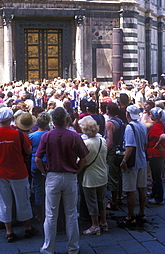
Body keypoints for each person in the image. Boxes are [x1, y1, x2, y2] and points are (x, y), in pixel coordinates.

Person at [35, 107, 88, 254]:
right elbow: (84, 158)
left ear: (53, 121)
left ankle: (48, 248)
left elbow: (38, 158)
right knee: (71, 213)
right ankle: (73, 247)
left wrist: (44, 172)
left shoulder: (47, 136)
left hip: (52, 175)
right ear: (66, 120)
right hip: (70, 176)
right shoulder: (74, 136)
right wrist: (77, 170)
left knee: (51, 214)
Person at [0, 107, 38, 243]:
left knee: (4, 201)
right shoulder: (18, 134)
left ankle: (9, 231)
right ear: (11, 119)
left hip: (0, 172)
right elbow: (28, 151)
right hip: (18, 172)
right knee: (23, 199)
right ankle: (28, 227)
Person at [118, 105, 147, 227]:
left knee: (130, 190)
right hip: (142, 160)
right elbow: (145, 144)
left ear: (127, 114)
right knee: (142, 188)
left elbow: (130, 146)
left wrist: (124, 161)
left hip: (132, 163)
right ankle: (141, 212)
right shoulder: (142, 126)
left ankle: (130, 216)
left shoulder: (130, 128)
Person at [81, 117, 108, 235]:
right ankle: (104, 222)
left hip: (90, 177)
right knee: (101, 200)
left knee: (92, 202)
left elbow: (82, 161)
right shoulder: (103, 140)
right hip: (103, 174)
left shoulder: (86, 144)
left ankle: (95, 225)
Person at [29, 112, 50, 223]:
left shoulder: (31, 136)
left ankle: (39, 214)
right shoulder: (50, 134)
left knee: (38, 188)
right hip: (48, 163)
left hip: (35, 163)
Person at [106, 103, 125, 210]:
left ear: (108, 111)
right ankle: (119, 196)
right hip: (120, 150)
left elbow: (110, 141)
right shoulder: (120, 121)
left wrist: (105, 152)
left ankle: (114, 202)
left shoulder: (109, 123)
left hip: (113, 153)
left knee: (113, 176)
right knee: (119, 175)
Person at [147, 107, 165, 205]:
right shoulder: (159, 124)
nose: (150, 115)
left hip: (156, 154)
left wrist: (157, 144)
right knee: (156, 176)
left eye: (151, 114)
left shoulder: (156, 127)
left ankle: (159, 198)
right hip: (158, 154)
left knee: (156, 177)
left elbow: (163, 136)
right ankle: (154, 193)